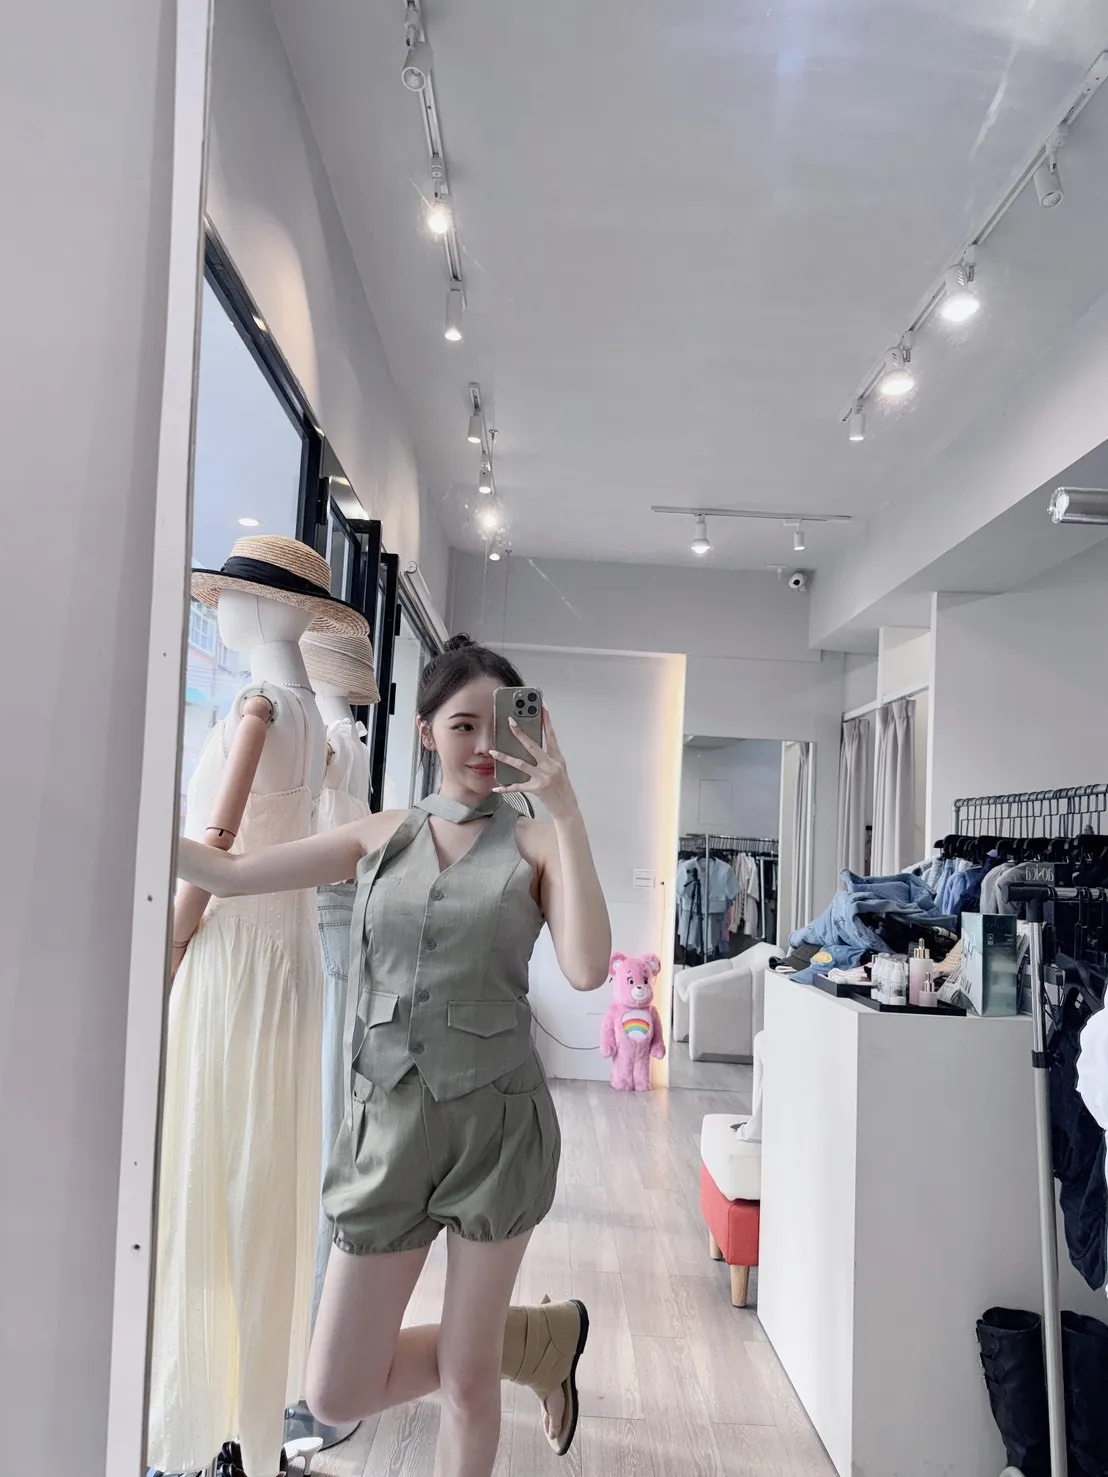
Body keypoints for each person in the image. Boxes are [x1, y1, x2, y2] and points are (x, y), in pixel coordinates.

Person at [175, 635, 612, 1477]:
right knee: (335, 1388)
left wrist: (567, 809)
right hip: (388, 1127)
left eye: (497, 726)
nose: (482, 745)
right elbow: (230, 875)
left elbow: (589, 967)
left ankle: (497, 1347)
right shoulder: (382, 833)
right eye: (461, 724)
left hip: (496, 1131)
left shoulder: (537, 843)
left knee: (468, 1383)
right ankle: (539, 1337)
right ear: (425, 732)